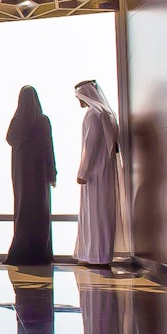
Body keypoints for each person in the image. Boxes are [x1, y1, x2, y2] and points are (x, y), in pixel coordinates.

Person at [74, 80, 129, 265]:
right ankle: (102, 255)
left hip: (95, 175)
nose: (78, 101)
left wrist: (83, 172)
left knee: (95, 215)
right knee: (105, 214)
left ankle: (96, 256)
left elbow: (90, 146)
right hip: (107, 172)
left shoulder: (93, 115)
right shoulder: (107, 113)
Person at [5, 86, 57, 266]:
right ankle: (39, 254)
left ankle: (21, 252)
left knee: (23, 211)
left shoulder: (16, 123)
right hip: (38, 176)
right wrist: (52, 173)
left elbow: (10, 140)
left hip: (20, 178)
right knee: (39, 213)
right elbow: (48, 150)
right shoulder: (42, 121)